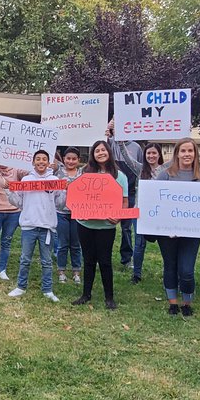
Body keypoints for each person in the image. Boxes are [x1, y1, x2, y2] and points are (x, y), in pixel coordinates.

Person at [155, 138, 200, 316]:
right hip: (167, 233)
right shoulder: (165, 174)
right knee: (170, 265)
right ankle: (173, 303)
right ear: (177, 153)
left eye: (190, 151)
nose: (187, 154)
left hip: (192, 233)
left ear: (196, 154)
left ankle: (187, 302)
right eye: (183, 151)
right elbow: (155, 202)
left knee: (187, 269)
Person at [71, 141, 129, 309]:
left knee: (105, 261)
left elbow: (124, 201)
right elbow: (77, 196)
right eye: (97, 151)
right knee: (88, 260)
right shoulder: (85, 173)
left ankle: (109, 298)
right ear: (93, 155)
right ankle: (85, 294)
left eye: (103, 150)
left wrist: (118, 216)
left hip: (106, 226)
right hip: (85, 224)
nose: (101, 153)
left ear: (109, 152)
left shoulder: (120, 176)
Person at [5, 150, 64, 302]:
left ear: (49, 162)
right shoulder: (25, 180)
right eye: (38, 159)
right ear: (33, 163)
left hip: (47, 227)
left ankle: (47, 289)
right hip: (29, 226)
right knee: (25, 259)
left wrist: (64, 191)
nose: (41, 162)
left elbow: (60, 204)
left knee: (47, 261)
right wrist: (11, 192)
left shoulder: (54, 180)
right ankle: (21, 286)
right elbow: (18, 202)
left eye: (44, 159)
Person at [105, 119, 144, 268]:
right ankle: (103, 256)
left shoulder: (136, 147)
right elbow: (100, 153)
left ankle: (127, 259)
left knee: (127, 227)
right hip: (110, 192)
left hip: (131, 192)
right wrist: (107, 134)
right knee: (106, 224)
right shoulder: (110, 141)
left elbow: (140, 169)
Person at [131, 143, 164, 284]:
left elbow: (177, 156)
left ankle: (167, 274)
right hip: (140, 213)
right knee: (139, 245)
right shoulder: (140, 169)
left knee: (165, 246)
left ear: (159, 155)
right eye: (148, 153)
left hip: (160, 214)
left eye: (154, 153)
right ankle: (136, 274)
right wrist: (118, 142)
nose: (151, 156)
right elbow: (127, 158)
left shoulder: (165, 169)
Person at [54, 147, 83, 284]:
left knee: (76, 244)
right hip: (61, 213)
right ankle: (61, 271)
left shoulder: (83, 173)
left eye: (74, 159)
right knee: (62, 244)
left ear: (79, 160)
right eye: (68, 158)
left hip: (77, 214)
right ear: (63, 159)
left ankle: (76, 271)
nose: (71, 161)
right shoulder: (57, 171)